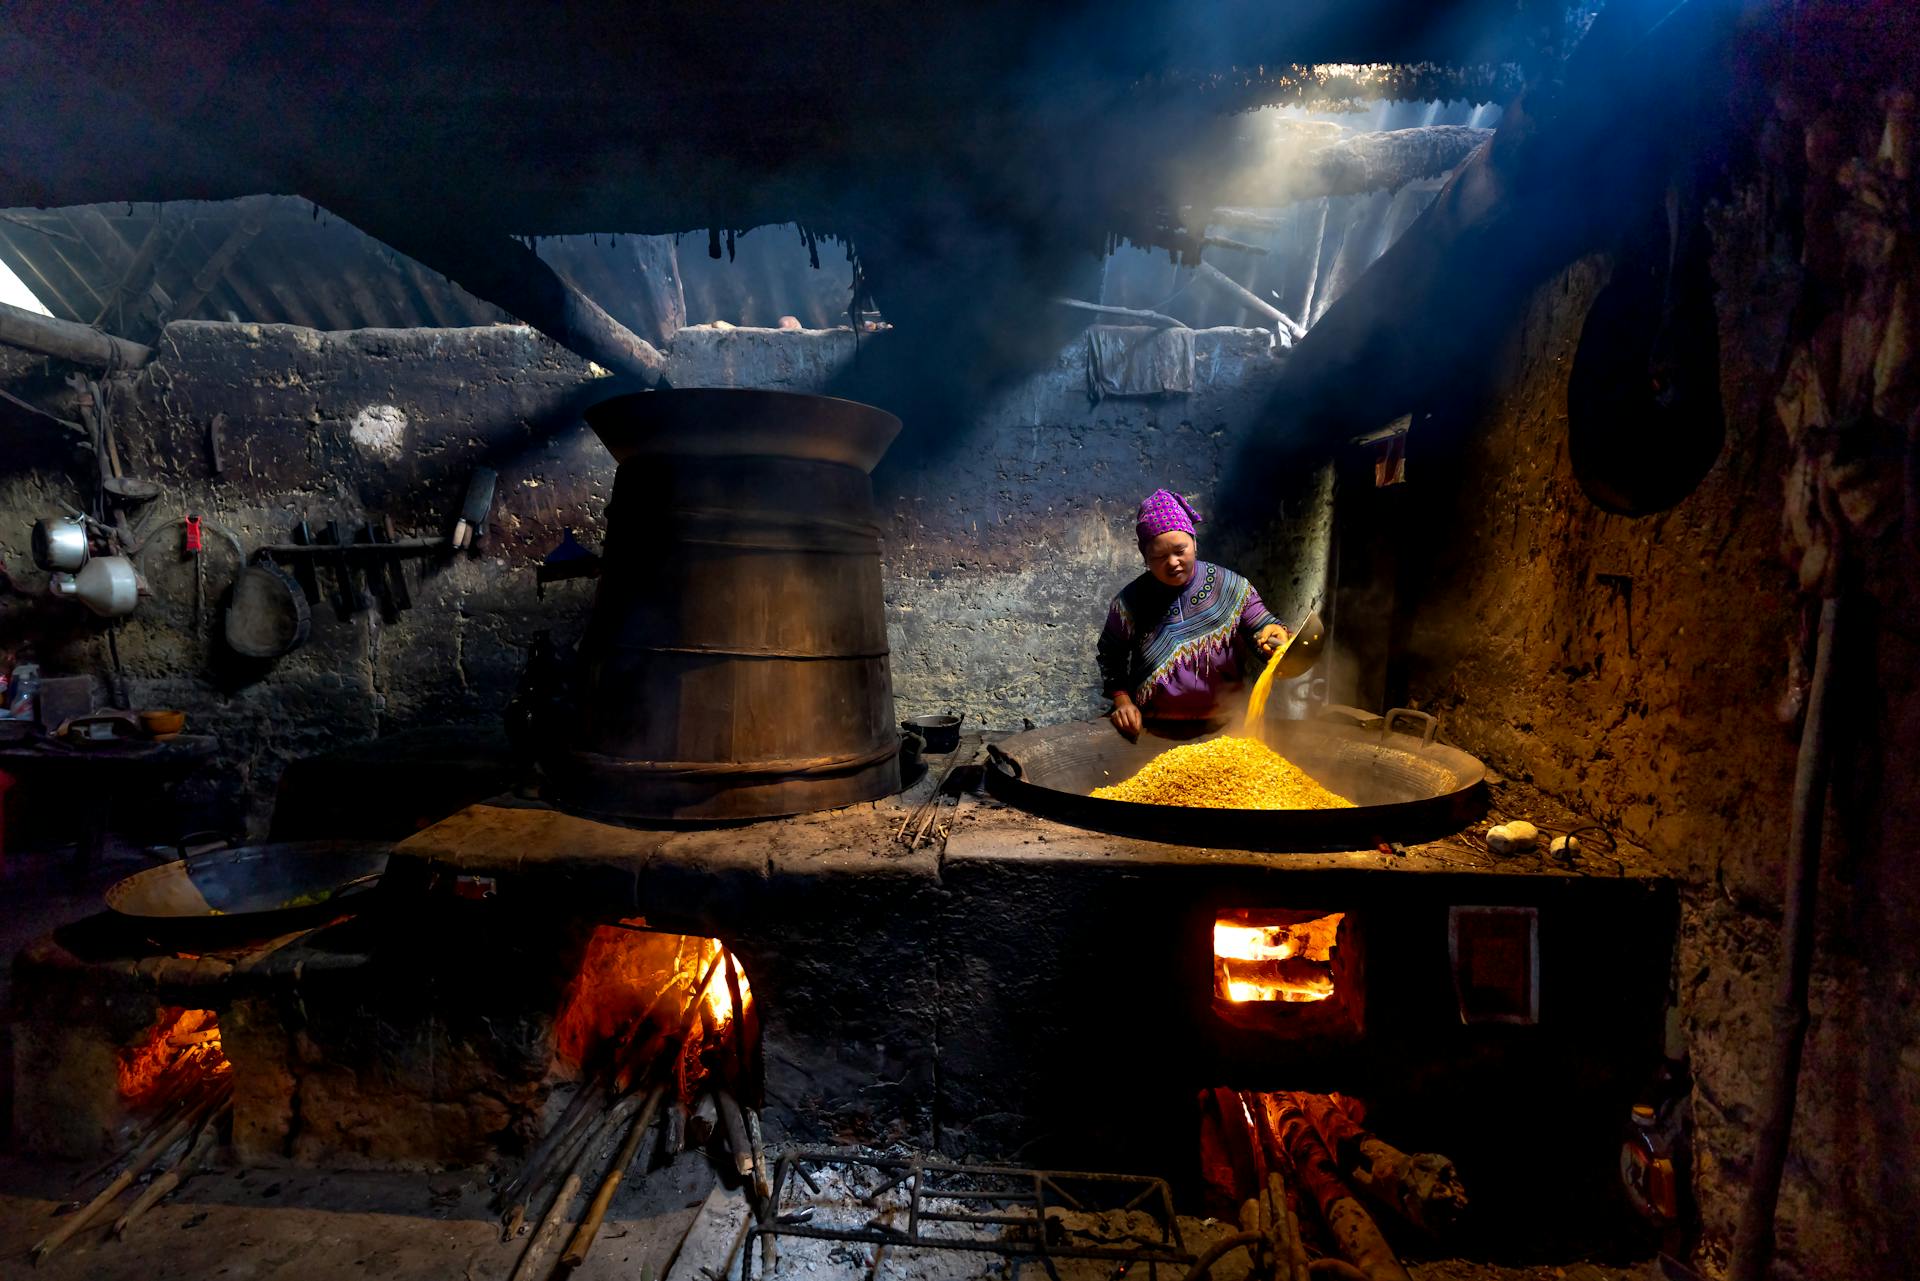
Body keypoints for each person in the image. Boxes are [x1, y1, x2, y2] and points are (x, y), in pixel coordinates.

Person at [1097, 489, 1288, 738]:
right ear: (1145, 558)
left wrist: (1274, 635)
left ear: (1195, 544)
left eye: (1180, 550)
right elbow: (1111, 656)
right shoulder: (1130, 602)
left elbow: (1262, 625)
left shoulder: (1231, 587)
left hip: (1225, 727)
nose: (1173, 562)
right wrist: (1122, 702)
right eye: (1159, 556)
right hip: (1151, 729)